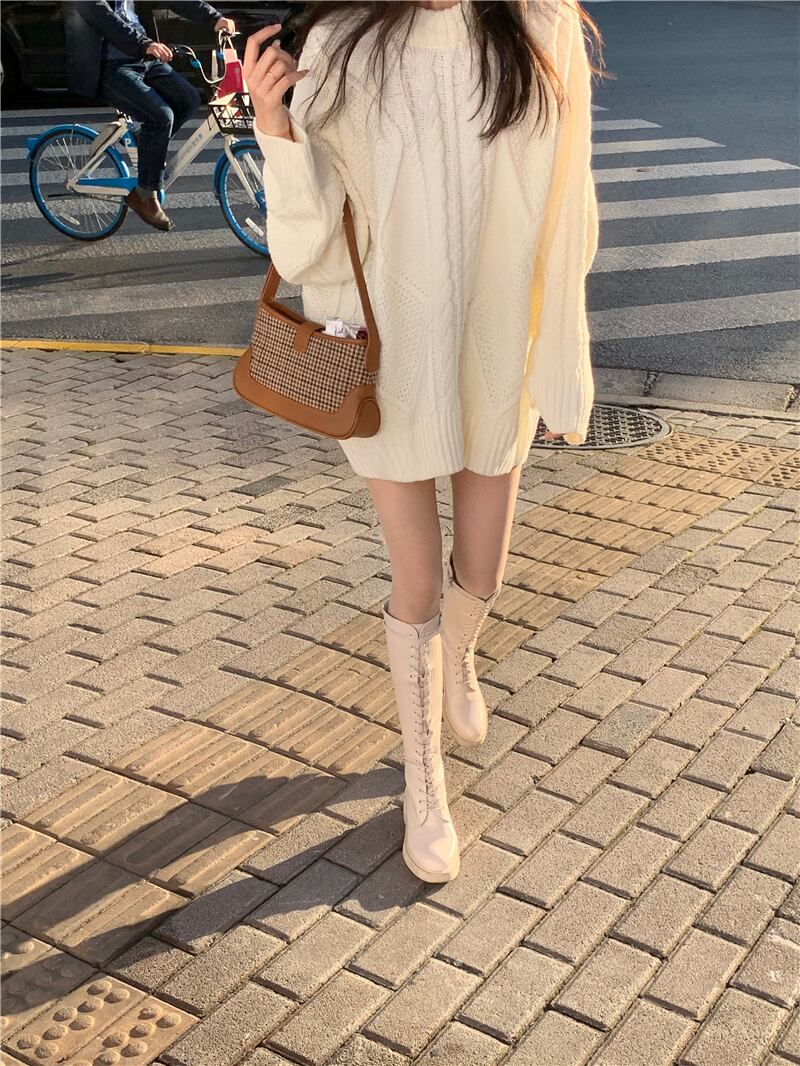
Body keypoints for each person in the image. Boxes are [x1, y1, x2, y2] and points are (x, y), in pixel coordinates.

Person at [244, 0, 602, 883]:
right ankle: (423, 781)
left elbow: (571, 208)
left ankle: (460, 659)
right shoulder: (344, 42)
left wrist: (562, 360)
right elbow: (308, 247)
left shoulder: (541, 27)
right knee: (417, 583)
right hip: (391, 360)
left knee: (483, 570)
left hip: (496, 345)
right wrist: (275, 130)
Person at [65, 1, 236, 230]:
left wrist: (214, 18)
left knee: (189, 100)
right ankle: (144, 194)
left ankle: (146, 142)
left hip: (142, 59)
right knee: (160, 117)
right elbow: (99, 13)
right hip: (107, 66)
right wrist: (144, 44)